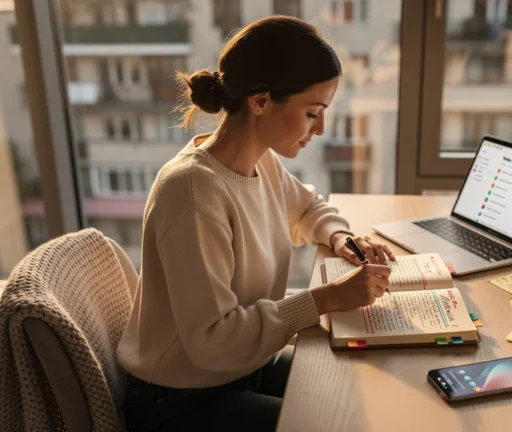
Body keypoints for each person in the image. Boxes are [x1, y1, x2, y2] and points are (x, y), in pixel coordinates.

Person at [117, 16, 395, 431]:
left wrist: (340, 237)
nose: (319, 129)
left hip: (241, 367)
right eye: (312, 113)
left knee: (357, 385)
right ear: (261, 101)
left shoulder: (259, 160)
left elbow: (306, 209)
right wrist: (324, 300)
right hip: (178, 398)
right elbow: (213, 341)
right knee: (337, 421)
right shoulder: (192, 192)